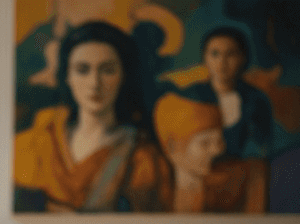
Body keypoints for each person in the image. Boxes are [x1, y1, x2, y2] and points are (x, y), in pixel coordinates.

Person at [14, 21, 171, 212]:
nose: (94, 83)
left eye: (107, 70)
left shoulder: (143, 158)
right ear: (67, 77)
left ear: (123, 76)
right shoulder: (34, 142)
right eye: (82, 70)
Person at [153, 92, 266, 212]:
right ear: (172, 147)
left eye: (219, 141)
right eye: (205, 143)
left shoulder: (236, 187)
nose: (217, 150)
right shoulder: (157, 194)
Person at [185, 26, 273, 160]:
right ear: (204, 58)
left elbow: (263, 148)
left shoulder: (256, 100)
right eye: (215, 54)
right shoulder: (192, 97)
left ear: (243, 58)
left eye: (230, 54)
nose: (222, 62)